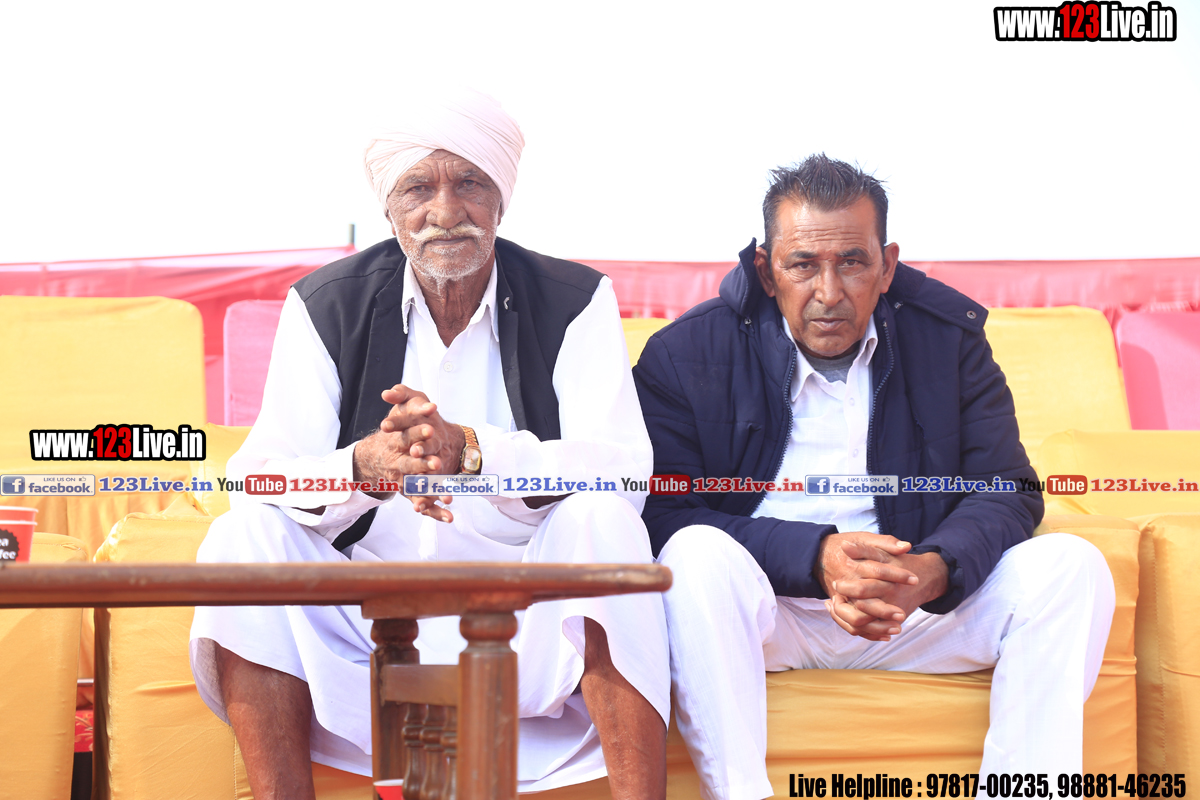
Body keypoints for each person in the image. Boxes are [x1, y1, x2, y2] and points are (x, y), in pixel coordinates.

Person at [189, 89, 669, 800]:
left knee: (604, 520)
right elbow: (256, 477)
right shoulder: (325, 303)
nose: (445, 211)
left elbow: (623, 470)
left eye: (469, 183)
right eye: (419, 188)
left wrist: (474, 452)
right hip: (362, 618)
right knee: (243, 536)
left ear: (501, 199)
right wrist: (362, 467)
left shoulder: (574, 299)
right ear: (390, 209)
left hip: (531, 615)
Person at [632, 154, 1115, 800]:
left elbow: (1007, 488)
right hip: (769, 610)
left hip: (912, 605)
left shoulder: (949, 341)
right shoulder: (687, 353)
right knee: (693, 556)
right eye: (803, 265)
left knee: (1071, 567)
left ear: (886, 267)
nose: (829, 292)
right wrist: (816, 558)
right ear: (766, 271)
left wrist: (933, 569)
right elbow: (660, 512)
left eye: (852, 263)